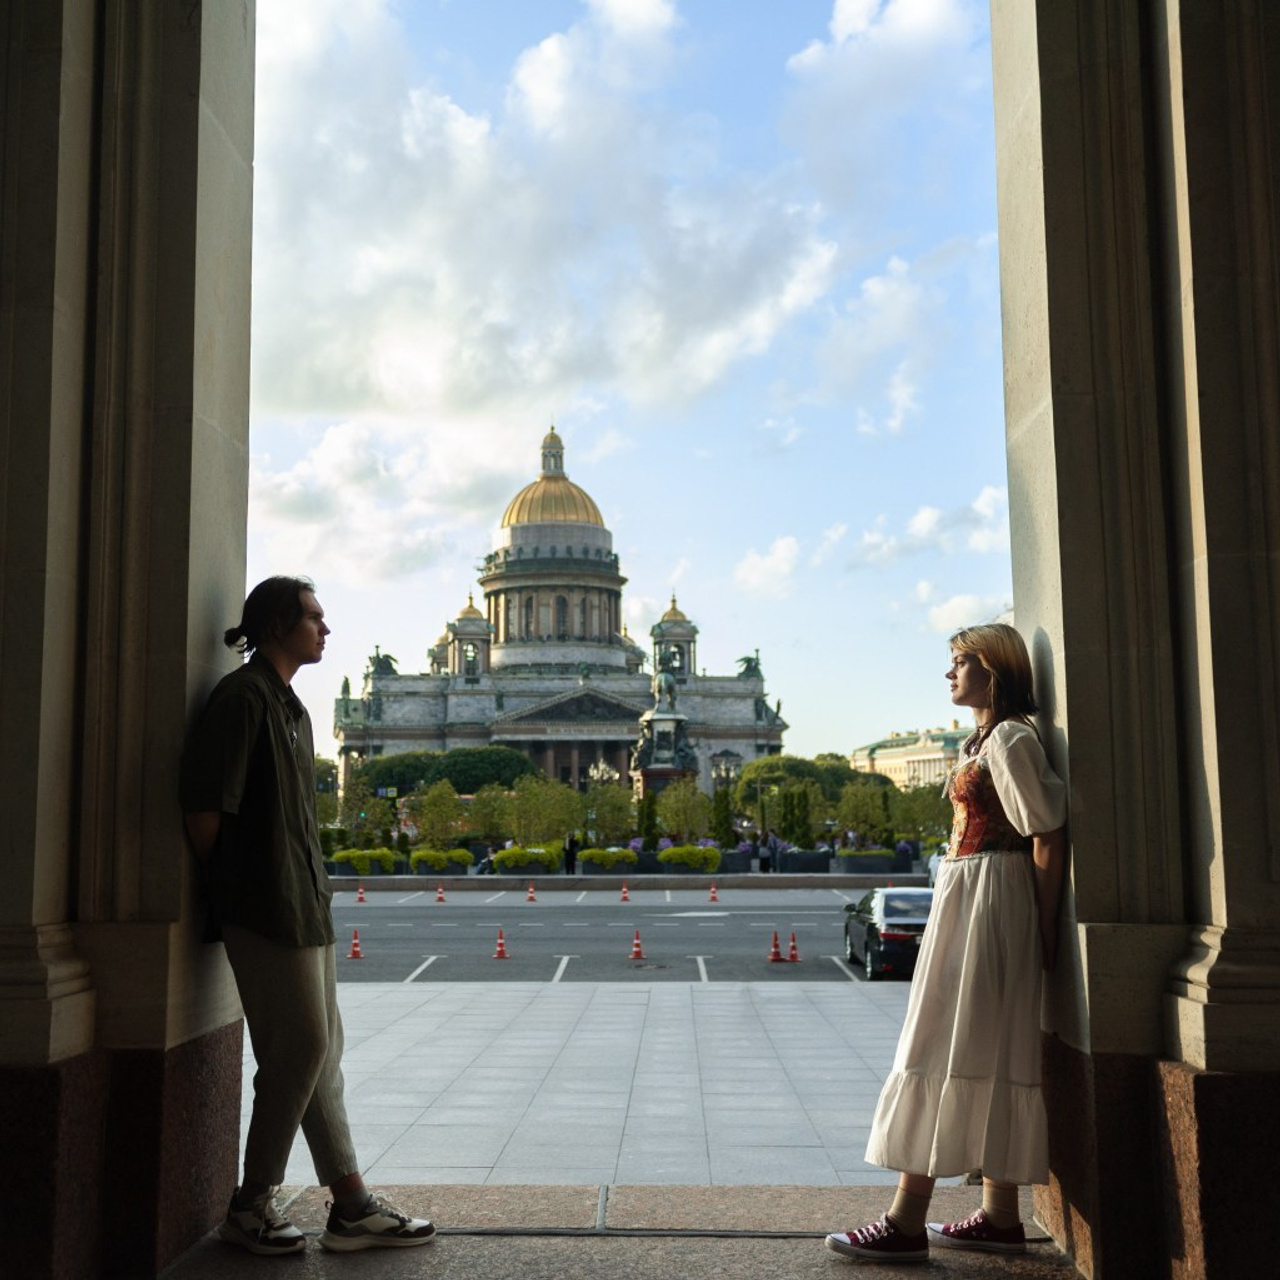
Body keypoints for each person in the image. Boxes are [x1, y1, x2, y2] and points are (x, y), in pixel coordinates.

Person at [181, 577, 435, 1257]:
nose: (326, 629)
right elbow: (205, 810)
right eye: (314, 618)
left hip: (303, 903)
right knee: (297, 1053)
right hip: (266, 906)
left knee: (322, 1057)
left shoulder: (289, 705)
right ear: (274, 626)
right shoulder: (242, 699)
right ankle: (251, 1203)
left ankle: (350, 1207)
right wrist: (240, 886)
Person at [826, 623, 1067, 1263]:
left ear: (995, 671)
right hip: (973, 896)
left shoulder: (1011, 739)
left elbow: (1046, 832)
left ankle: (906, 1223)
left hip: (991, 901)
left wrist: (1042, 930)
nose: (950, 673)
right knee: (978, 1045)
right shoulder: (981, 740)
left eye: (961, 662)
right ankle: (1000, 1215)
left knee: (939, 1042)